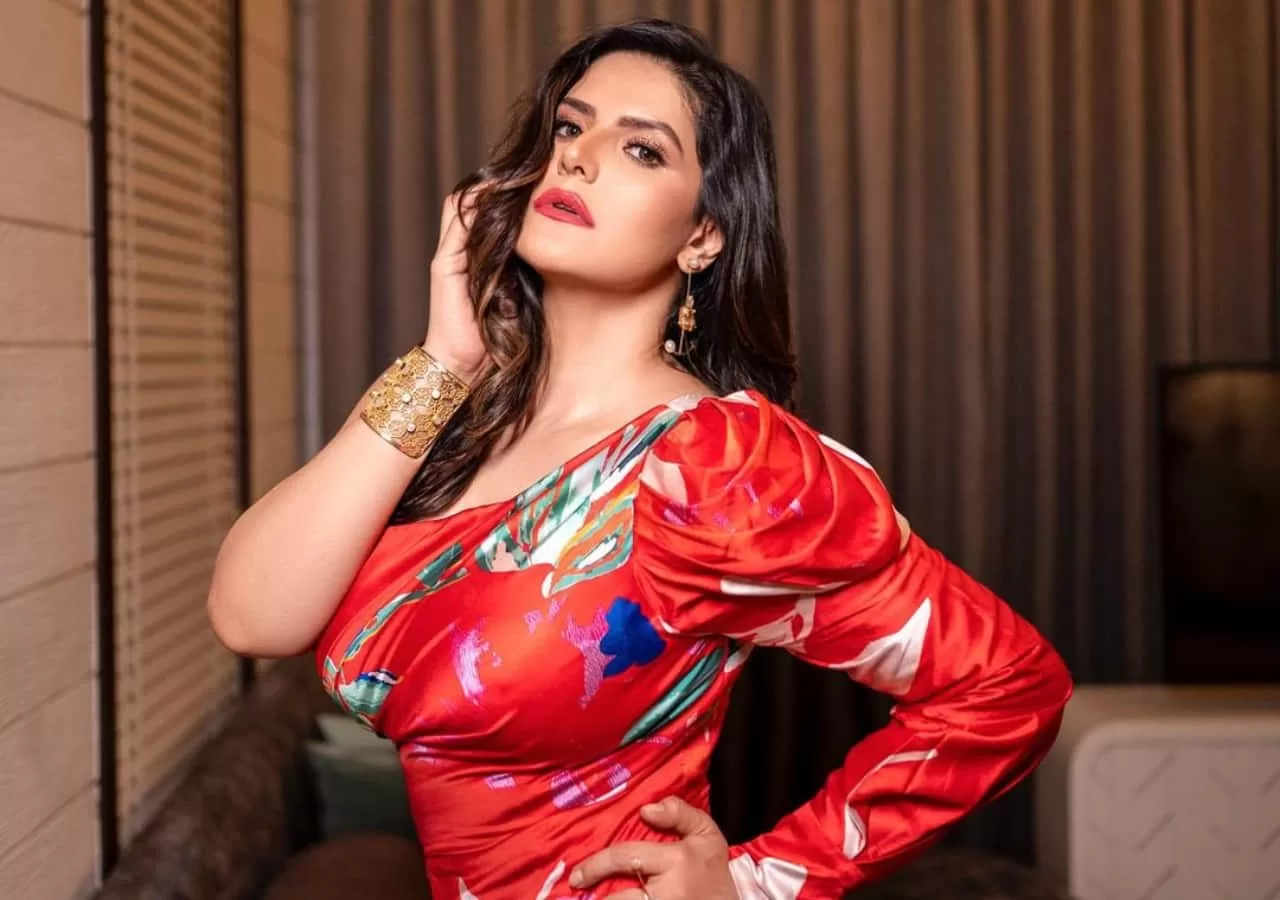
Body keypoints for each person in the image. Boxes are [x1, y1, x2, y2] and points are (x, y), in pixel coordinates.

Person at [209, 18, 1072, 900]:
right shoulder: (456, 414)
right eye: (569, 127)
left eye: (642, 150)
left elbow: (1007, 686)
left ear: (703, 236)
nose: (577, 159)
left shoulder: (715, 468)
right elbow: (253, 616)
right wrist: (446, 359)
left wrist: (757, 885)